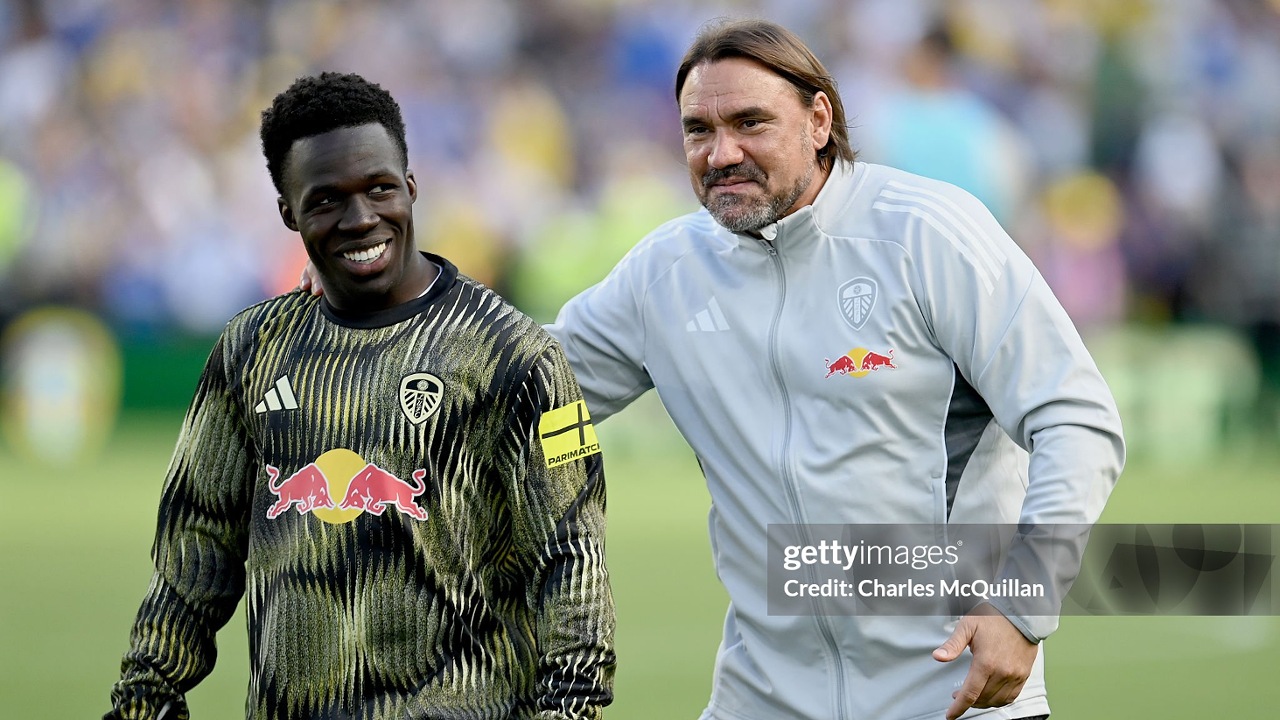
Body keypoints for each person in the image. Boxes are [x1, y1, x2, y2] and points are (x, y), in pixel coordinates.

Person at [302, 20, 1124, 720]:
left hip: (949, 691)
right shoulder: (667, 272)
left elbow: (1077, 419)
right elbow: (511, 386)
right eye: (698, 130)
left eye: (750, 123)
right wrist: (383, 306)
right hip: (762, 696)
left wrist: (1022, 603)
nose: (721, 152)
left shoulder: (929, 234)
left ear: (819, 120)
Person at [106, 72, 616, 720]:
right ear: (288, 213)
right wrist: (144, 699)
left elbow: (573, 558)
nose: (361, 218)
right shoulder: (250, 350)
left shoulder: (517, 355)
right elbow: (193, 551)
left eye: (379, 188)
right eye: (326, 200)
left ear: (411, 184)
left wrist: (570, 710)